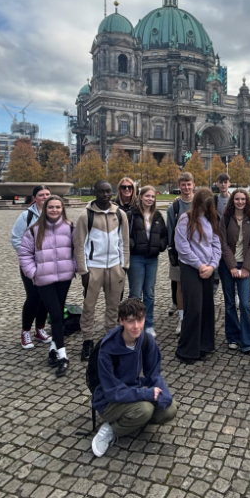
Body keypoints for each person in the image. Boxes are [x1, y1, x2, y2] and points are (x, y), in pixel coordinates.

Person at [91, 297, 178, 457]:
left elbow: (154, 373)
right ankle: (111, 429)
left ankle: (131, 421)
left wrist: (164, 393)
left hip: (132, 390)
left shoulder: (146, 340)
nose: (136, 326)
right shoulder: (107, 349)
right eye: (131, 321)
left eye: (140, 320)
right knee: (145, 410)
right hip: (108, 400)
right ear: (121, 321)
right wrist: (145, 394)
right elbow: (112, 391)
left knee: (170, 408)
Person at [17, 195, 77, 376]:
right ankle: (62, 355)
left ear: (62, 209)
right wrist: (34, 273)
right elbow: (24, 254)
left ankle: (52, 348)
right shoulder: (34, 230)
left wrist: (73, 266)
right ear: (45, 209)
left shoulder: (70, 227)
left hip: (64, 278)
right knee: (56, 314)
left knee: (58, 312)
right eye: (51, 207)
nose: (54, 210)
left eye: (58, 207)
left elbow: (78, 249)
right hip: (44, 280)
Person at [74, 180, 130, 361]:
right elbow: (79, 245)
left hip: (115, 267)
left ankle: (111, 339)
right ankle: (87, 340)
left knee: (113, 307)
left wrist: (124, 267)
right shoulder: (85, 216)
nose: (105, 195)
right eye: (101, 192)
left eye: (108, 191)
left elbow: (124, 243)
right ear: (94, 192)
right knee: (89, 306)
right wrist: (83, 271)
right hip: (94, 268)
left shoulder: (120, 215)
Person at [173, 187, 221, 364]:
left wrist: (212, 265)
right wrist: (199, 265)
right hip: (191, 268)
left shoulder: (210, 219)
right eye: (202, 206)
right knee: (194, 307)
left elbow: (216, 244)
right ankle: (187, 349)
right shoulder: (185, 219)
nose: (204, 210)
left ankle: (204, 345)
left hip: (207, 268)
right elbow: (182, 246)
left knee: (207, 307)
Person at [217, 188, 250, 358]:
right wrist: (232, 266)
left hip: (245, 265)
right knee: (229, 302)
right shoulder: (226, 219)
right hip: (228, 266)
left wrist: (246, 267)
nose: (240, 202)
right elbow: (223, 244)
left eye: (243, 199)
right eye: (237, 199)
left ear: (246, 200)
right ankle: (233, 337)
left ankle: (249, 342)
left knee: (244, 304)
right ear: (232, 201)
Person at [10, 185, 52, 349]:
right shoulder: (26, 216)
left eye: (48, 194)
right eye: (41, 195)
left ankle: (39, 329)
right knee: (33, 296)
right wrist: (28, 256)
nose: (45, 197)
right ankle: (25, 330)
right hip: (31, 264)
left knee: (45, 298)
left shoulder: (55, 213)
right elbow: (16, 239)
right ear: (34, 197)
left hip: (49, 264)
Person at [128, 185, 168, 337]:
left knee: (149, 293)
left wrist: (160, 246)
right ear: (140, 197)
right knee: (136, 294)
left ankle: (148, 324)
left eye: (152, 196)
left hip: (152, 258)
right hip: (136, 258)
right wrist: (133, 245)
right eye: (147, 196)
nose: (150, 199)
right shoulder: (132, 214)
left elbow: (165, 235)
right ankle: (134, 323)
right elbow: (125, 234)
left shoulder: (157, 216)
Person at [166, 172, 195, 333]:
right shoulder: (174, 207)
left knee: (196, 287)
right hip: (179, 253)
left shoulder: (200, 204)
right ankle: (182, 319)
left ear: (193, 185)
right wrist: (172, 252)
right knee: (180, 287)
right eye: (183, 184)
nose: (186, 187)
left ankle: (195, 317)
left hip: (198, 253)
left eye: (189, 184)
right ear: (179, 186)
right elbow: (170, 230)